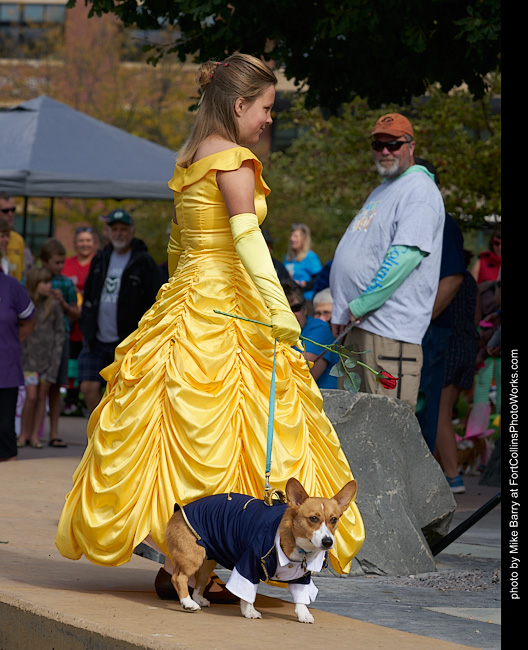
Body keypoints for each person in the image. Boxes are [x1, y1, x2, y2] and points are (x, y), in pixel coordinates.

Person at [56, 54, 364, 601]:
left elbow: (178, 245)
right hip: (228, 300)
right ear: (240, 105)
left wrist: (181, 300)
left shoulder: (192, 158)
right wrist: (278, 310)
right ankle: (214, 561)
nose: (269, 118)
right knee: (238, 429)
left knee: (182, 422)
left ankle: (182, 557)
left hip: (189, 300)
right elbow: (246, 237)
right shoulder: (236, 161)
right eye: (266, 107)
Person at [330, 113, 445, 409]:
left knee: (387, 430)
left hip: (389, 335)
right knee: (352, 428)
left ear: (411, 146)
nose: (385, 151)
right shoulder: (384, 189)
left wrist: (360, 305)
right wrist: (343, 309)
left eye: (393, 144)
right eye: (377, 145)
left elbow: (405, 257)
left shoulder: (420, 190)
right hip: (359, 328)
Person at [77, 209, 162, 414]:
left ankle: (114, 428)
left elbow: (157, 298)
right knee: (88, 387)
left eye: (123, 229)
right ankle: (97, 427)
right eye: (114, 229)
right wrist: (86, 322)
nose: (119, 233)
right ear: (108, 232)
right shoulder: (100, 258)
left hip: (127, 340)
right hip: (96, 339)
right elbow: (89, 295)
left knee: (122, 391)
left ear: (132, 232)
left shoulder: (143, 261)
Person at [414, 159, 465, 452]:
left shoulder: (443, 222)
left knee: (423, 408)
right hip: (413, 329)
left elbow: (453, 278)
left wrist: (422, 320)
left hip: (428, 331)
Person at [435, 252, 481, 493]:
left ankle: (453, 476)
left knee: (440, 414)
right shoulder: (470, 281)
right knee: (445, 411)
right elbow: (476, 316)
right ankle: (438, 471)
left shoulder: (444, 277)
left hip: (450, 344)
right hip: (468, 344)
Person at [17, 267, 65, 449]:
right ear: (34, 284)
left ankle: (35, 435)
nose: (49, 285)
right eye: (44, 282)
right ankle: (23, 434)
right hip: (29, 360)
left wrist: (55, 359)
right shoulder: (26, 306)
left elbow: (60, 333)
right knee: (31, 396)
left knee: (42, 396)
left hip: (48, 360)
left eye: (49, 282)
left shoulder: (53, 306)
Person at [39, 238, 79, 447]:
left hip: (60, 338)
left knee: (55, 387)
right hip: (37, 340)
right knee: (36, 387)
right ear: (44, 261)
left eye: (62, 262)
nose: (60, 266)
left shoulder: (66, 283)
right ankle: (30, 432)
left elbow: (76, 313)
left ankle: (53, 433)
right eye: (56, 262)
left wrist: (62, 303)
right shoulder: (33, 278)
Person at [0, 265, 35, 461]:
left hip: (6, 367)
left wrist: (12, 343)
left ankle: (9, 470)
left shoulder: (10, 285)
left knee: (4, 427)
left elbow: (29, 320)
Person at [62, 226, 98, 415]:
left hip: (92, 322)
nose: (85, 244)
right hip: (70, 321)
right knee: (71, 360)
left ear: (94, 243)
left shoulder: (99, 262)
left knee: (89, 360)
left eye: (88, 240)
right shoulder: (67, 264)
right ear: (75, 244)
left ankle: (87, 401)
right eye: (81, 240)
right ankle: (71, 399)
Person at [282, 280, 339, 389]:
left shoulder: (321, 329)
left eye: (295, 308)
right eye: (284, 310)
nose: (291, 314)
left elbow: (299, 374)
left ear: (304, 309)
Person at [283, 223, 322, 301]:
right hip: (291, 299)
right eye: (291, 235)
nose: (292, 239)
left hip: (306, 300)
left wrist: (304, 284)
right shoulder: (287, 257)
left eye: (295, 236)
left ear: (304, 239)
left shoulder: (310, 256)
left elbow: (319, 278)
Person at [0, 193, 27, 281]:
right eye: (5, 211)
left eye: (13, 210)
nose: (10, 214)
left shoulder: (18, 239)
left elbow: (22, 273)